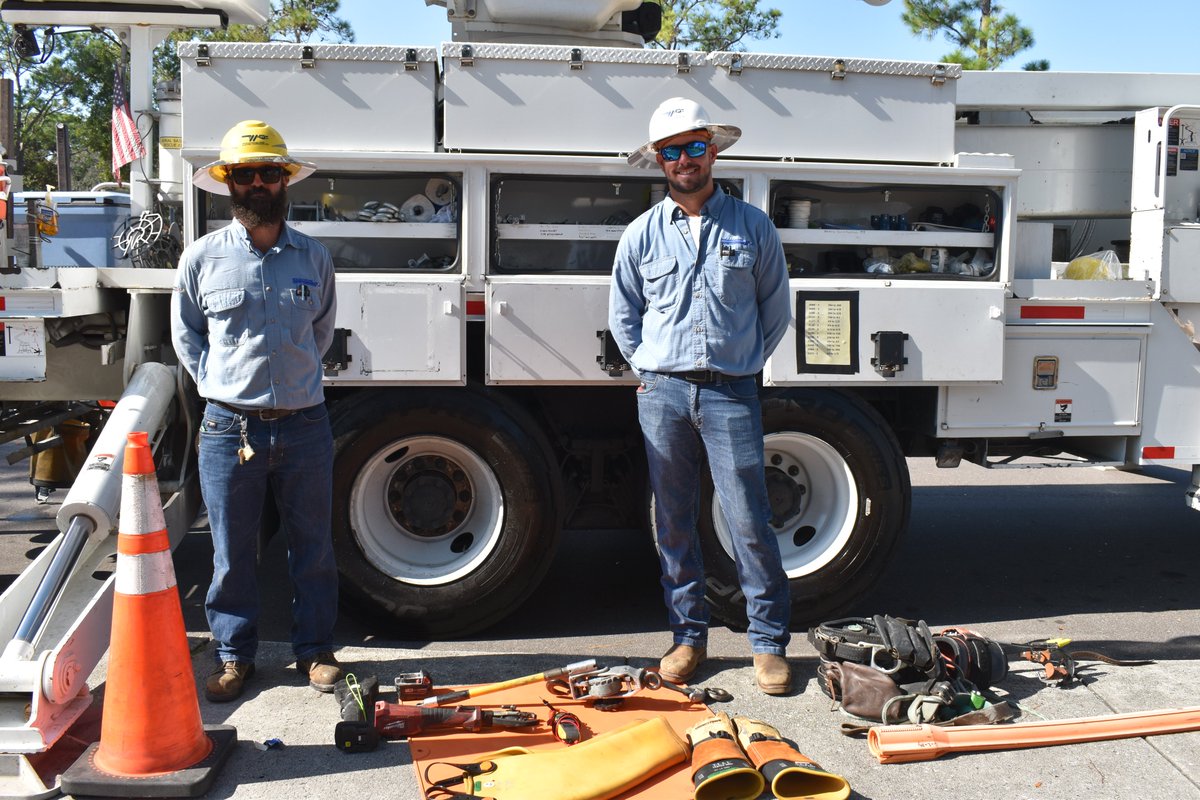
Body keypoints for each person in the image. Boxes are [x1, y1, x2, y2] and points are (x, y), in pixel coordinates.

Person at [608, 98, 793, 695]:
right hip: (662, 393)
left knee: (749, 519)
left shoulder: (753, 226)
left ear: (713, 150)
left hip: (730, 394)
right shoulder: (640, 235)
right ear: (659, 161)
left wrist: (742, 366)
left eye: (694, 147)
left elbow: (774, 310)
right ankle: (688, 637)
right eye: (671, 151)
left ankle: (767, 644)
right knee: (674, 521)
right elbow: (624, 314)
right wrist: (648, 368)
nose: (684, 160)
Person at [171, 120, 343, 702]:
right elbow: (189, 337)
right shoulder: (201, 259)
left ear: (284, 180)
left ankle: (315, 653)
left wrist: (289, 387)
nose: (257, 184)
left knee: (313, 545)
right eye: (244, 175)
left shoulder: (314, 258)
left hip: (305, 424)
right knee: (230, 548)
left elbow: (320, 333)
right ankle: (232, 656)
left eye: (268, 172)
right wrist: (225, 387)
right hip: (228, 427)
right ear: (227, 184)